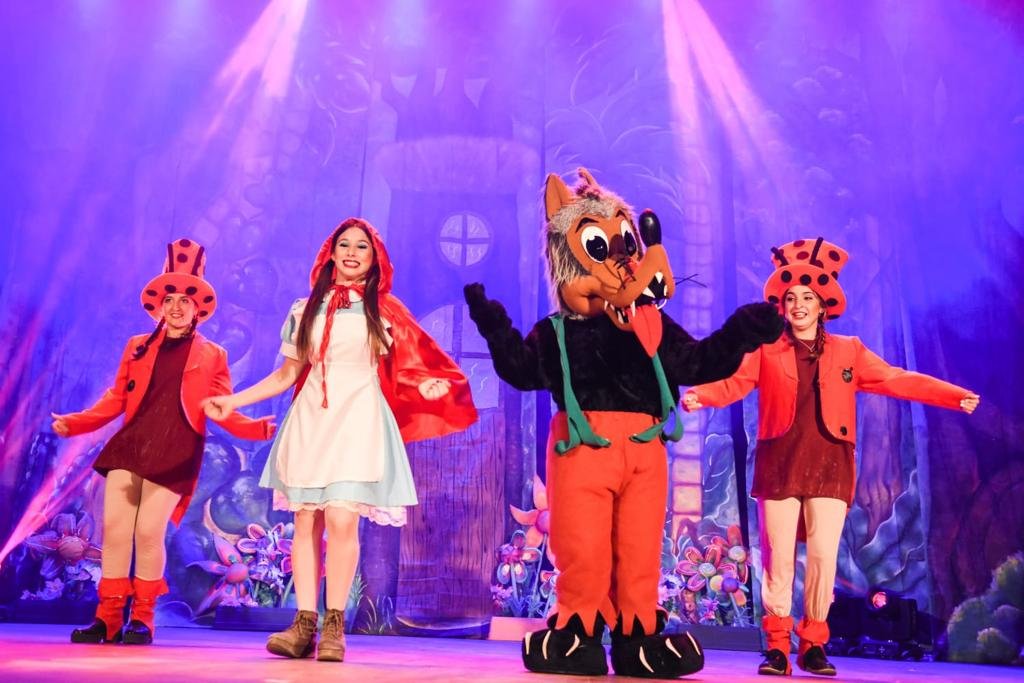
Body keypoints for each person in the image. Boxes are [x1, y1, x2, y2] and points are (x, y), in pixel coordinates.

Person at [464, 168, 785, 678]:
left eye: (625, 243)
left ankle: (639, 635)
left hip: (644, 453)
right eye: (599, 245)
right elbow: (523, 372)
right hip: (582, 450)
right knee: (584, 549)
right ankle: (577, 631)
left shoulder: (650, 324)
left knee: (638, 551)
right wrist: (494, 325)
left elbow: (697, 362)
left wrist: (741, 331)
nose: (618, 258)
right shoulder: (559, 330)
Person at [682, 238, 980, 677]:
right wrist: (701, 396)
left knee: (823, 556)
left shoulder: (848, 350)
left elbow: (896, 379)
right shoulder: (767, 350)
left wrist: (953, 396)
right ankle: (777, 646)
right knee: (778, 559)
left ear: (823, 305)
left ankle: (814, 645)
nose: (798, 306)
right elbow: (734, 383)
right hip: (781, 462)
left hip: (831, 464)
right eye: (791, 299)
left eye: (807, 298)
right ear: (782, 306)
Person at [203, 217, 476, 663]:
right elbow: (287, 374)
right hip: (312, 419)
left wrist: (423, 385)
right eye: (344, 244)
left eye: (361, 246)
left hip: (358, 419)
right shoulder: (304, 308)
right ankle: (302, 624)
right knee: (306, 520)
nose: (351, 252)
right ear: (330, 253)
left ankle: (334, 625)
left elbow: (408, 364)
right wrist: (234, 401)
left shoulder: (384, 310)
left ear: (375, 258)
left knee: (342, 520)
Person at [51, 238, 276, 645]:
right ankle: (107, 619)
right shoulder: (137, 347)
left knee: (148, 532)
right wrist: (77, 422)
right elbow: (115, 398)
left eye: (185, 300)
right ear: (159, 305)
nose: (176, 306)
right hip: (132, 445)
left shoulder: (213, 355)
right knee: (115, 530)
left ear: (198, 307)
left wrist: (255, 429)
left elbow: (220, 407)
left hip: (175, 450)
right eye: (169, 298)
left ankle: (142, 619)